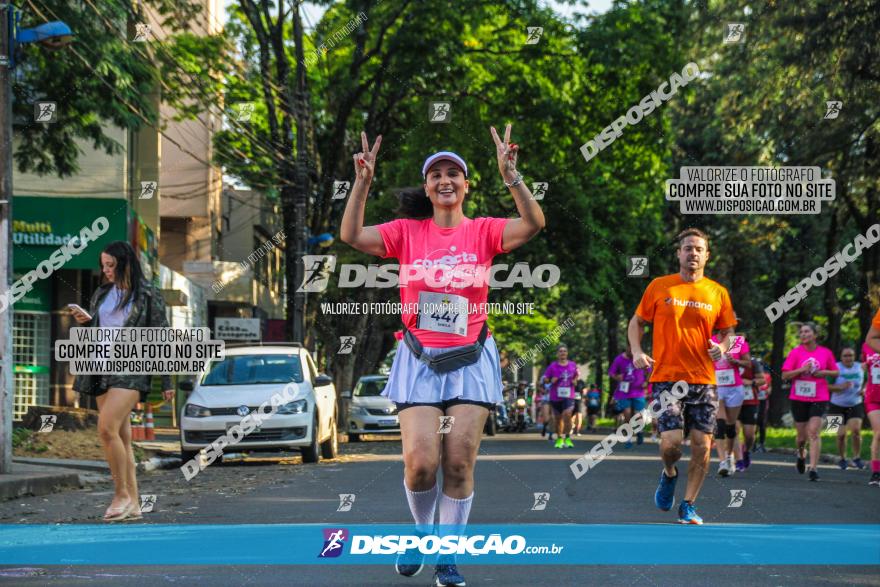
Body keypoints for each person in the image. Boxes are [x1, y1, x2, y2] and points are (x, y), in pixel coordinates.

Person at [340, 127, 544, 586]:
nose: (445, 180)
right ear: (427, 187)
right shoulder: (405, 233)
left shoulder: (485, 230)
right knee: (421, 462)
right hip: (419, 360)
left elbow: (532, 224)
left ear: (467, 185)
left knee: (457, 463)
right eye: (436, 174)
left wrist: (512, 177)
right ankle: (420, 531)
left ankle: (447, 557)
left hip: (471, 359)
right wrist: (362, 183)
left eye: (454, 173)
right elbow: (351, 234)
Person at [628, 228, 737, 525]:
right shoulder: (660, 286)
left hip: (704, 380)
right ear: (679, 253)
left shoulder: (718, 293)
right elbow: (637, 322)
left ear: (707, 255)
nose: (693, 253)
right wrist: (637, 351)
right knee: (671, 444)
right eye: (688, 248)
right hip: (666, 378)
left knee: (703, 446)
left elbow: (729, 332)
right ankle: (669, 473)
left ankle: (688, 504)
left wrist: (723, 348)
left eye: (699, 249)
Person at [70, 241, 175, 522]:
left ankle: (121, 495)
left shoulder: (149, 295)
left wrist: (166, 380)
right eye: (103, 265)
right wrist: (85, 321)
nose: (105, 271)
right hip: (99, 368)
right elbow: (97, 330)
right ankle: (135, 503)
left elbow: (161, 337)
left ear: (126, 263)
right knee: (123, 437)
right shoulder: (102, 293)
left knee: (106, 429)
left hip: (131, 368)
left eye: (110, 265)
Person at [781, 322, 839, 482]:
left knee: (813, 431)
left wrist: (823, 373)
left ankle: (813, 468)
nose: (803, 334)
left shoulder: (825, 352)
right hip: (798, 398)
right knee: (801, 438)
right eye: (801, 332)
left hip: (819, 396)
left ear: (815, 334)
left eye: (807, 332)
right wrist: (801, 370)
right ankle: (801, 455)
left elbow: (835, 372)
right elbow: (785, 375)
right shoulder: (795, 353)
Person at [710, 328, 751, 476]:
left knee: (730, 427)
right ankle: (722, 462)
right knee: (720, 424)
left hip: (735, 388)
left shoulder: (737, 341)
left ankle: (729, 456)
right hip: (716, 387)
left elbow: (748, 363)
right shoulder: (710, 340)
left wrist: (736, 361)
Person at [829, 347, 866, 470]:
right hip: (836, 405)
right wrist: (839, 387)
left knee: (856, 430)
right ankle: (842, 458)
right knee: (840, 435)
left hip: (855, 403)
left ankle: (857, 457)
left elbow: (870, 380)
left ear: (854, 357)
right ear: (841, 357)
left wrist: (865, 389)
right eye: (845, 356)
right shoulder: (834, 367)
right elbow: (825, 386)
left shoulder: (860, 367)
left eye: (851, 355)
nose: (848, 358)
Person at [608, 345, 650, 447]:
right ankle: (629, 438)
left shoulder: (641, 357)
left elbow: (649, 370)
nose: (632, 353)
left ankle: (639, 431)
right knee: (627, 414)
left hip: (638, 391)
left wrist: (647, 382)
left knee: (638, 415)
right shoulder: (619, 359)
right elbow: (611, 372)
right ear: (627, 348)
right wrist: (617, 377)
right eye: (630, 350)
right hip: (624, 392)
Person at [542, 345, 580, 449]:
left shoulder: (572, 365)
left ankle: (567, 438)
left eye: (564, 351)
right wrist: (550, 380)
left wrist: (575, 380)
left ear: (567, 353)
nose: (562, 353)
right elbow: (545, 378)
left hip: (569, 395)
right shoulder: (553, 366)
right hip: (555, 396)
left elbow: (577, 374)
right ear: (557, 354)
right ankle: (559, 439)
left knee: (567, 414)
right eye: (560, 351)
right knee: (558, 419)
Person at [736, 355, 764, 471]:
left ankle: (746, 451)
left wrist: (750, 382)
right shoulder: (726, 361)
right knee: (734, 430)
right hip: (732, 402)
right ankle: (739, 459)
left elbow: (762, 380)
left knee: (749, 435)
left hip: (750, 402)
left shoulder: (753, 363)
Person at [862, 308, 880, 486]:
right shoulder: (867, 346)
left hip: (851, 400)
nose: (847, 358)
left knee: (852, 431)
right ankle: (876, 472)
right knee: (838, 432)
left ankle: (851, 456)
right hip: (837, 400)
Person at [755, 362, 772, 452]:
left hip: (763, 401)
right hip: (754, 401)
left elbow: (769, 387)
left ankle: (761, 444)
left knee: (762, 422)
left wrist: (768, 391)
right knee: (754, 422)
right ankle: (752, 443)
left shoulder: (767, 376)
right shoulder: (753, 375)